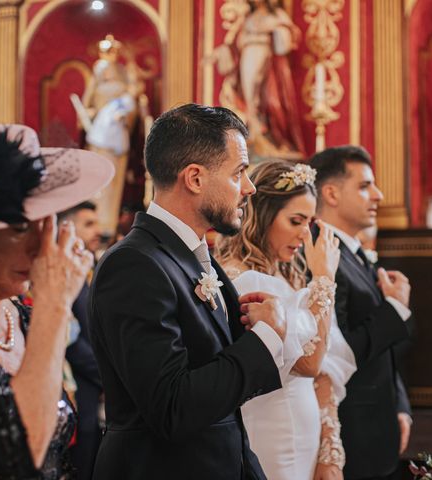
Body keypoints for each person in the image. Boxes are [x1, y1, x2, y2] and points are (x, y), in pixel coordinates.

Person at [88, 103, 287, 479]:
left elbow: (217, 383)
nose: (249, 187)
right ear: (194, 178)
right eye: (239, 172)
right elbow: (173, 408)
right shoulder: (133, 266)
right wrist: (264, 339)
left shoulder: (193, 255)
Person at [0, 124, 113, 479]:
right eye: (20, 228)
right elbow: (18, 456)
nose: (42, 247)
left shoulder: (24, 319)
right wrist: (55, 303)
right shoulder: (42, 315)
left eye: (49, 224)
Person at [216, 161, 356, 480]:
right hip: (274, 437)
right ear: (262, 215)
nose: (305, 234)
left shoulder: (286, 277)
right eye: (296, 220)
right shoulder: (246, 282)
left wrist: (330, 450)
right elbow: (310, 363)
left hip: (306, 438)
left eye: (309, 222)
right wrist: (323, 279)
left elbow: (325, 375)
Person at [310, 146, 413, 480]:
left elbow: (385, 349)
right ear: (331, 193)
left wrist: (399, 404)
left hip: (378, 427)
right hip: (350, 431)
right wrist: (395, 308)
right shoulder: (320, 255)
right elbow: (335, 350)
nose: (379, 195)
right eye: (365, 185)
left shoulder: (353, 253)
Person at [209, 0, 305, 160]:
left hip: (266, 60)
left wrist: (278, 30)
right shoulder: (248, 18)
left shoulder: (277, 16)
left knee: (268, 99)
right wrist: (221, 52)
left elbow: (284, 45)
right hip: (247, 59)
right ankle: (254, 132)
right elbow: (235, 46)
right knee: (249, 99)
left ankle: (269, 136)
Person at [77, 34, 140, 236]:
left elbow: (133, 102)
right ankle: (97, 224)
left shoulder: (124, 76)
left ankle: (109, 225)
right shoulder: (99, 72)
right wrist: (92, 115)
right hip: (100, 136)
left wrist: (126, 115)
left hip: (118, 136)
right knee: (100, 178)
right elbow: (87, 103)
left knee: (114, 181)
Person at [58, 201, 103, 480]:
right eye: (88, 224)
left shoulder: (91, 268)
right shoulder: (61, 273)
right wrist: (106, 374)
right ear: (67, 228)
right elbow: (70, 340)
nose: (98, 230)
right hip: (78, 387)